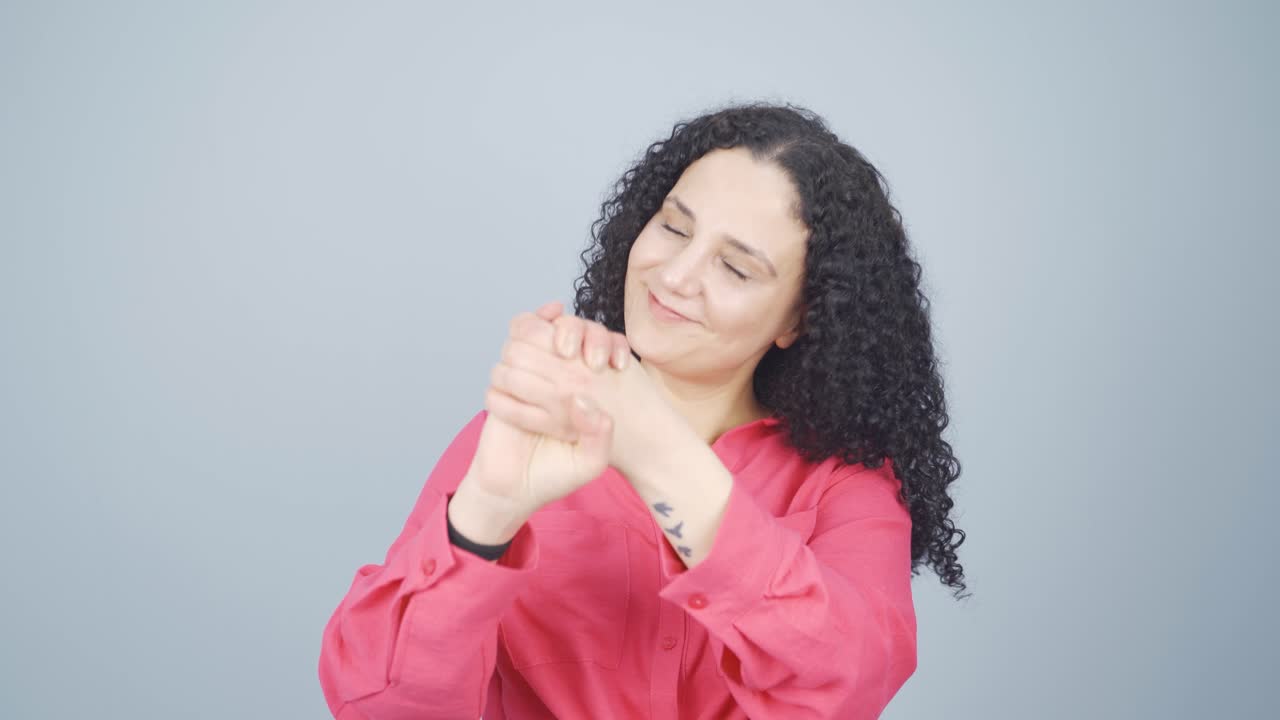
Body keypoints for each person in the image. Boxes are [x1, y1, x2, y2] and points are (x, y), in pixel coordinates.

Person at [317, 102, 967, 720]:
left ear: (800, 317)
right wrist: (485, 513)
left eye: (736, 269)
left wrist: (656, 450)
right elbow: (378, 706)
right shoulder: (522, 426)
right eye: (674, 227)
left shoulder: (848, 483)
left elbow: (845, 688)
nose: (676, 275)